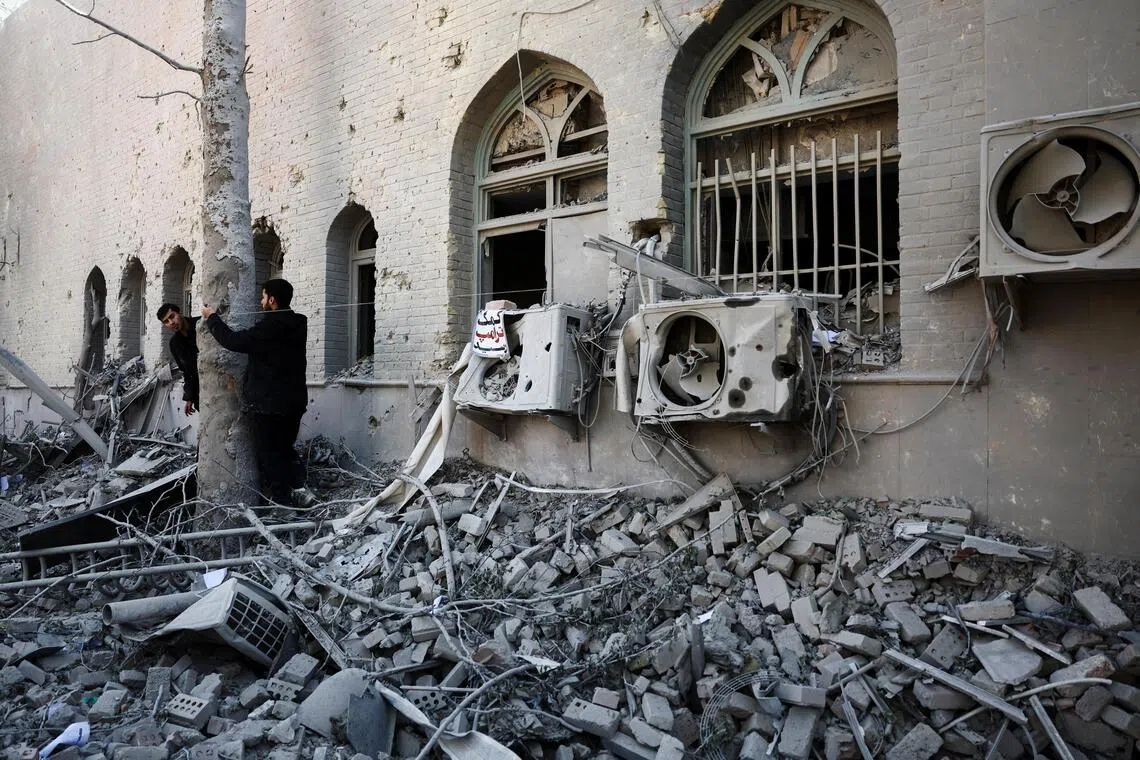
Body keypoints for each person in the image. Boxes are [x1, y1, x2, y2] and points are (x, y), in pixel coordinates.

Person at [201, 279, 310, 505]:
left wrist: (211, 318)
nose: (260, 301)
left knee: (270, 455)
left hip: (269, 405)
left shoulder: (269, 328)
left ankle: (282, 505)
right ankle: (301, 490)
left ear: (271, 299)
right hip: (294, 401)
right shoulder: (299, 323)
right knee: (285, 449)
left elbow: (232, 341)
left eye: (263, 297)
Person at [156, 303, 200, 416]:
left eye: (172, 316)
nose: (171, 323)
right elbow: (187, 373)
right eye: (166, 321)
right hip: (200, 394)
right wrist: (189, 398)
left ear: (179, 313)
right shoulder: (174, 344)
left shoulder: (200, 324)